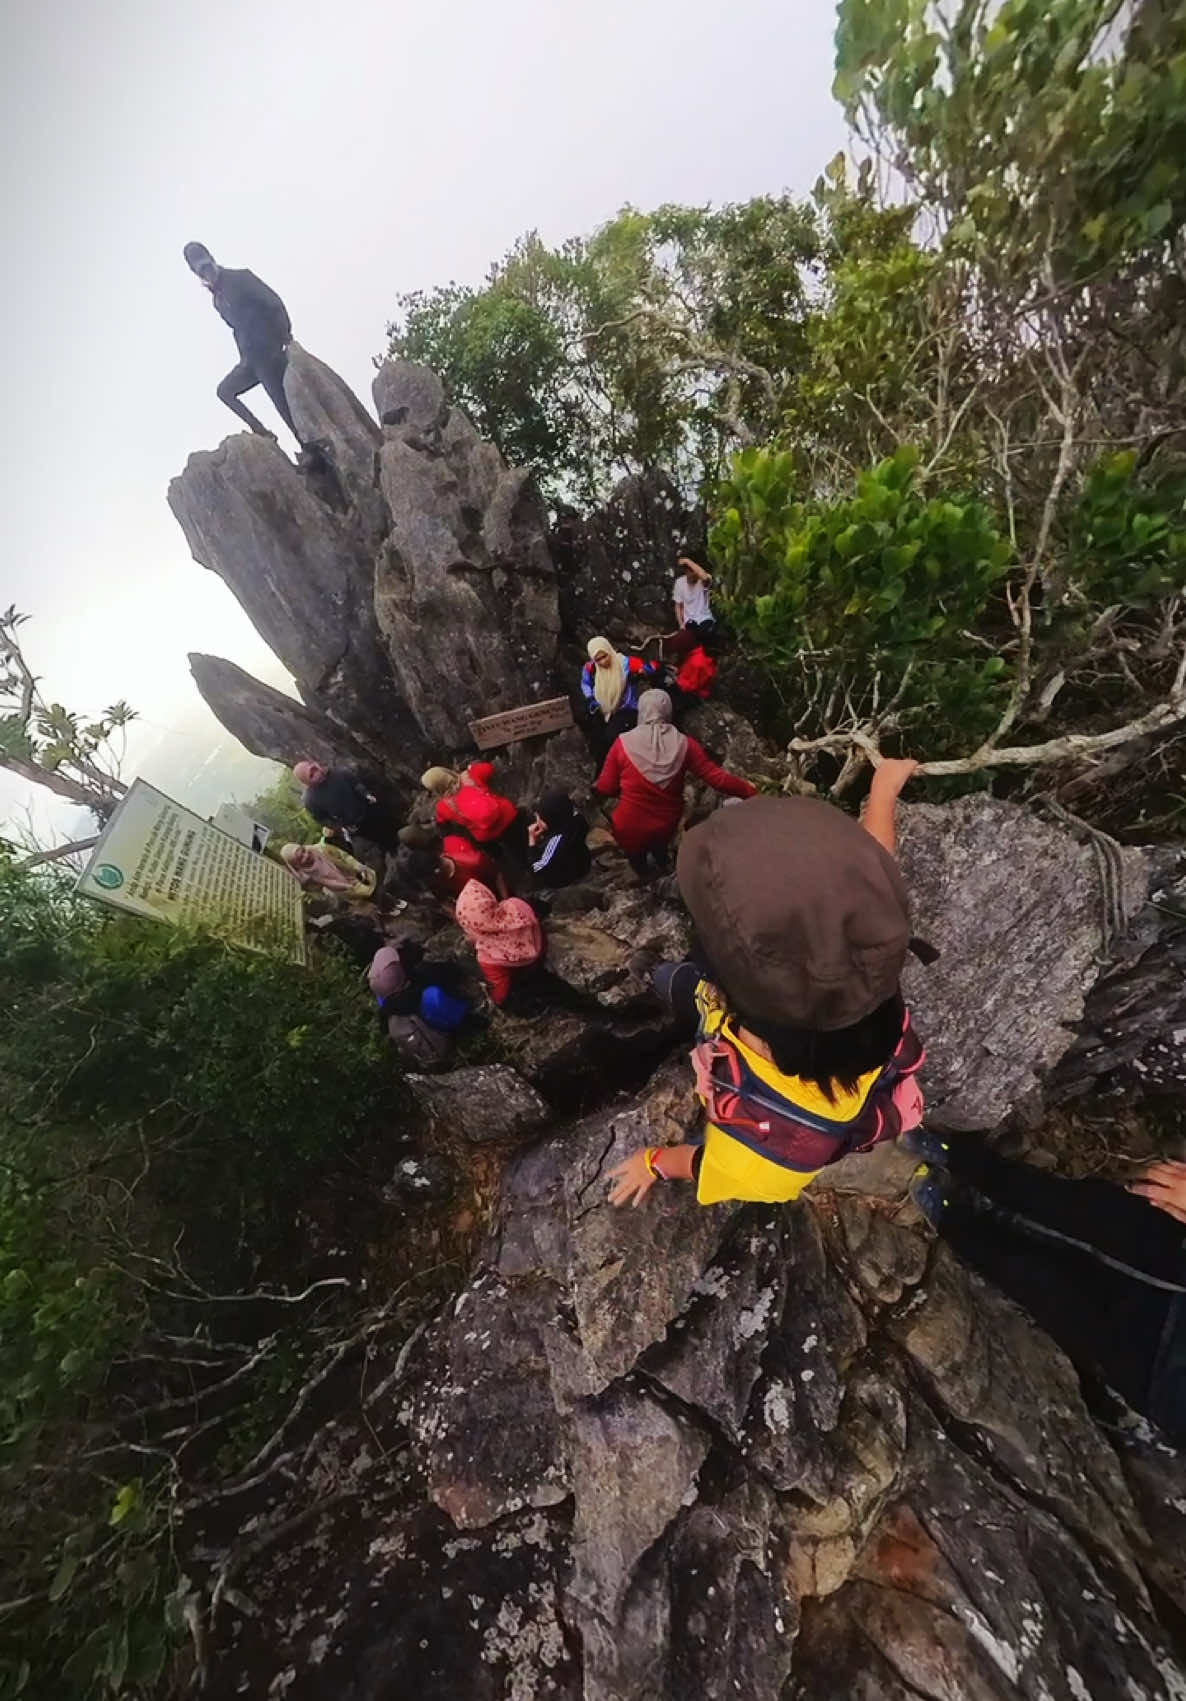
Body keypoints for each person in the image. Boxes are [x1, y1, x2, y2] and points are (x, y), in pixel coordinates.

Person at [608, 759, 926, 1208]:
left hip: (733, 1032)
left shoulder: (766, 1159)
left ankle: (658, 979)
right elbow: (861, 880)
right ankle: (665, 980)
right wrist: (882, 794)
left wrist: (657, 1162)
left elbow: (705, 1166)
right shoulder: (862, 973)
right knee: (674, 980)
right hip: (773, 1030)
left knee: (671, 980)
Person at [904, 1135, 1186, 1444]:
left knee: (1045, 1288)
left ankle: (952, 1219)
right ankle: (959, 1155)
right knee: (1082, 1210)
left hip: (1163, 1379)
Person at [594, 689, 757, 877]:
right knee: (661, 853)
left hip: (628, 827)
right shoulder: (684, 744)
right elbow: (716, 777)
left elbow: (605, 787)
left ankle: (645, 878)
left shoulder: (622, 743)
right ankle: (664, 867)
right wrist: (750, 792)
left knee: (638, 862)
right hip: (666, 826)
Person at [183, 241, 301, 445]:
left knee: (284, 406)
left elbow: (274, 302)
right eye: (200, 270)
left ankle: (310, 450)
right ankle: (263, 433)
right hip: (250, 360)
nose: (206, 273)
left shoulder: (240, 278)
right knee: (224, 391)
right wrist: (244, 356)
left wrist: (285, 338)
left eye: (206, 266)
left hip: (269, 351)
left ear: (212, 259)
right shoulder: (217, 301)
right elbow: (237, 329)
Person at [422, 764, 528, 881]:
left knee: (513, 854)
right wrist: (470, 767)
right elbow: (489, 768)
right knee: (524, 839)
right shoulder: (470, 776)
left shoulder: (443, 806)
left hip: (487, 836)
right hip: (507, 816)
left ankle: (506, 862)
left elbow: (442, 821)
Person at [454, 878, 544, 1007]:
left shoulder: (487, 958)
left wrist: (497, 1001)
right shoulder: (517, 905)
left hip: (519, 972)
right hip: (539, 952)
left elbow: (500, 990)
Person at [292, 760, 399, 853]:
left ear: (316, 765)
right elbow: (321, 819)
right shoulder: (310, 800)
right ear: (306, 782)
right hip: (355, 824)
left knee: (391, 822)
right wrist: (340, 826)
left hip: (368, 806)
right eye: (311, 775)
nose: (316, 774)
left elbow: (355, 783)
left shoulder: (338, 773)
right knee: (380, 838)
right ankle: (395, 849)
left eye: (314, 769)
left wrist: (366, 794)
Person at [580, 638, 660, 751]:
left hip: (626, 708)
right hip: (602, 710)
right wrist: (590, 698)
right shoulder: (590, 668)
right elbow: (585, 683)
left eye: (605, 656)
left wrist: (647, 669)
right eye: (598, 660)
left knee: (613, 737)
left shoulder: (624, 662)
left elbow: (649, 667)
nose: (603, 662)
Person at [528, 791, 592, 888]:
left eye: (540, 818)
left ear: (552, 820)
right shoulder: (577, 819)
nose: (537, 820)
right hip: (582, 861)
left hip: (565, 877)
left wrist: (532, 841)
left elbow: (538, 868)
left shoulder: (556, 841)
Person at [280, 840, 376, 901]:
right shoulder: (307, 876)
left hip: (360, 874)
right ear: (296, 864)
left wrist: (359, 867)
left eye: (303, 850)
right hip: (352, 892)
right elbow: (320, 891)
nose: (306, 855)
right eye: (300, 858)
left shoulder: (321, 849)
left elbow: (344, 856)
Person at [673, 555, 714, 634]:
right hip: (690, 620)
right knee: (690, 635)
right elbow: (678, 605)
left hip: (704, 618)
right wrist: (681, 624)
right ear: (686, 571)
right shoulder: (679, 582)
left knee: (705, 631)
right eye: (690, 571)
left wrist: (687, 561)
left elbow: (705, 578)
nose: (693, 574)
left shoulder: (703, 579)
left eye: (695, 570)